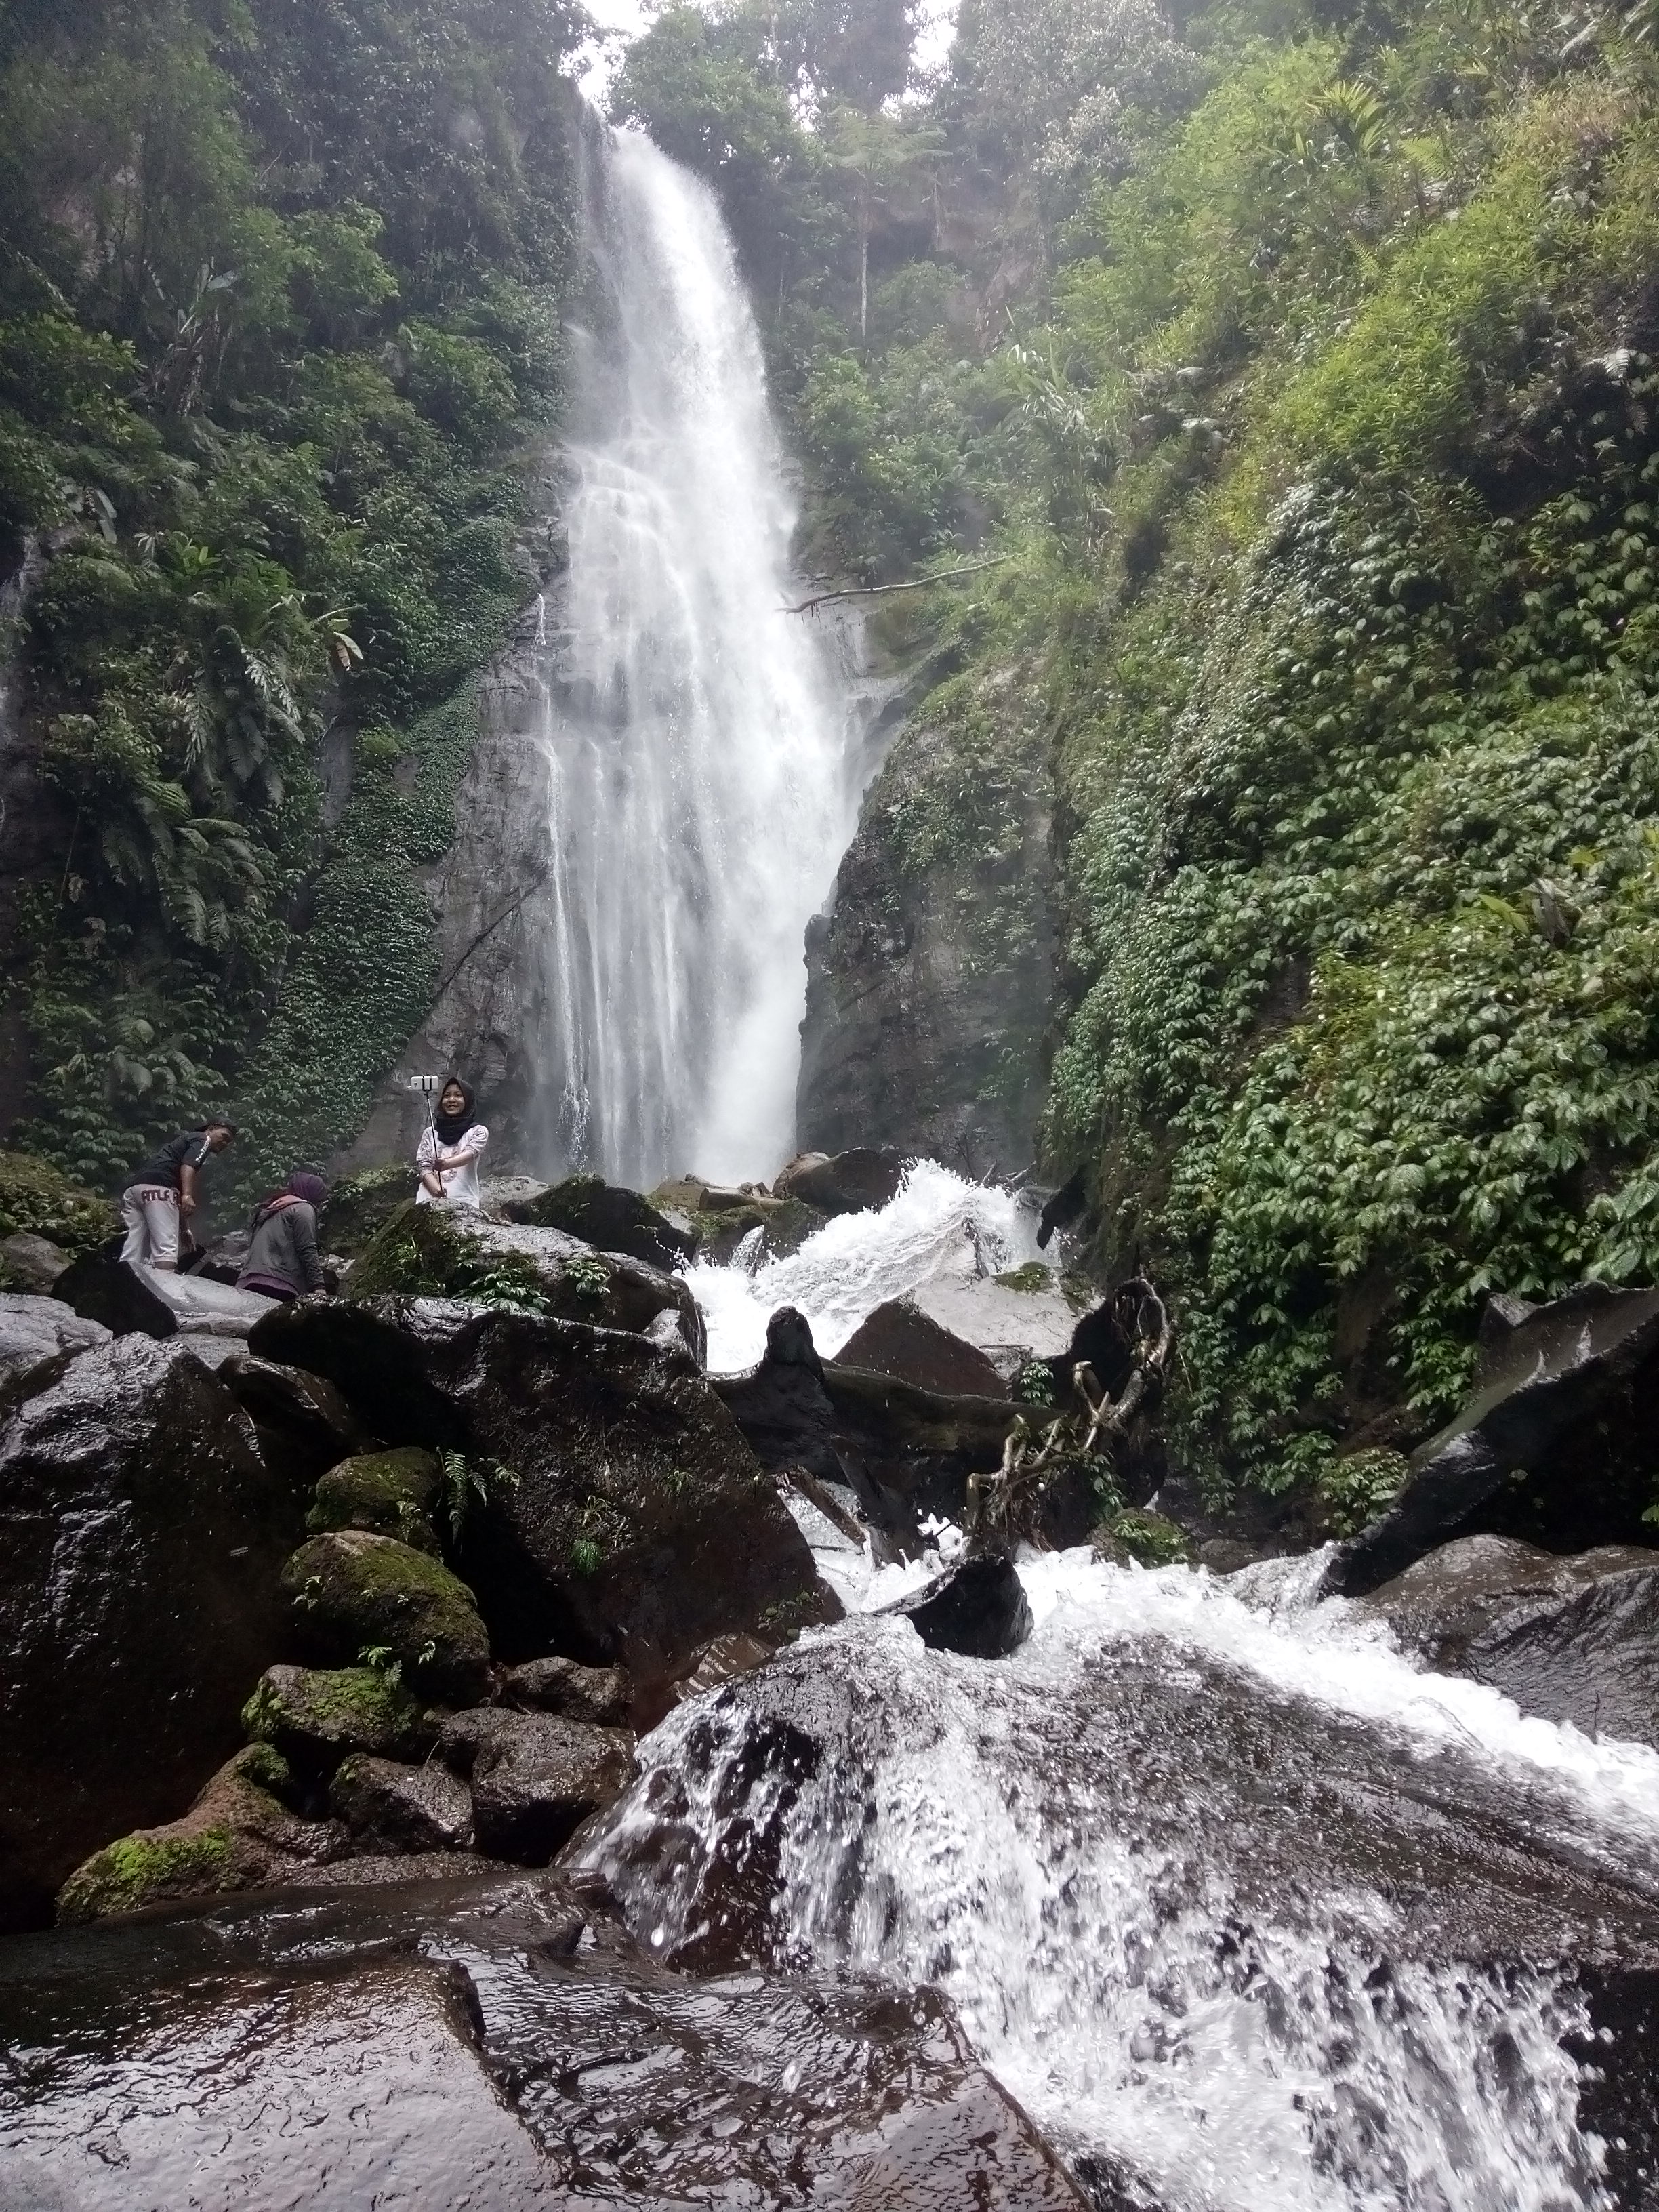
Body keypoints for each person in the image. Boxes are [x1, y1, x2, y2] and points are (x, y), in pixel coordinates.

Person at [119, 1118, 237, 1270]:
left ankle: (124, 1285)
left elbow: (177, 1192)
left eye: (229, 1142)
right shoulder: (203, 1140)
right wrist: (188, 1195)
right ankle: (160, 1290)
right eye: (224, 1137)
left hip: (135, 1191)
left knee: (134, 1250)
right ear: (211, 1129)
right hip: (159, 1189)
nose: (225, 1144)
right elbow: (188, 1166)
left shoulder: (184, 1143)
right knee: (166, 1252)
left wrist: (184, 1229)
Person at [237, 1170, 327, 1301]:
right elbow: (307, 1248)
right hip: (279, 1285)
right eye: (319, 1201)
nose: (318, 1206)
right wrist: (318, 1285)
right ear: (311, 1194)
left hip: (248, 1281)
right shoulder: (303, 1208)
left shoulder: (271, 1208)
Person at [416, 1078, 489, 1209]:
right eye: (447, 1096)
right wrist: (436, 1190)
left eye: (458, 1095)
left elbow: (471, 1153)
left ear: (468, 1100)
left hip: (465, 1203)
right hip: (428, 1202)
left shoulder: (478, 1131)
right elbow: (424, 1166)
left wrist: (447, 1164)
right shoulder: (430, 1133)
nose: (451, 1100)